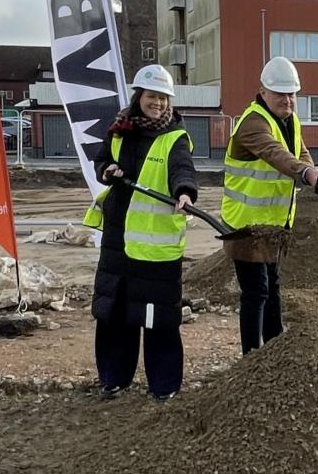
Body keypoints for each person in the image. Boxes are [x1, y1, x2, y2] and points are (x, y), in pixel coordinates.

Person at [83, 64, 198, 402]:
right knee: (114, 315)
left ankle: (164, 386)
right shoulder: (119, 130)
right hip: (118, 239)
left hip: (154, 248)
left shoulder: (174, 137)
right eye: (152, 97)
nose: (158, 103)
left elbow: (183, 170)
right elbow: (101, 161)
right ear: (139, 97)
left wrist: (185, 193)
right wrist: (109, 170)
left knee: (157, 318)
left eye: (163, 98)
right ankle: (113, 378)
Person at [221, 56, 318, 355]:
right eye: (281, 93)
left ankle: (275, 352)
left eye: (292, 94)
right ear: (263, 91)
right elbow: (274, 153)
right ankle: (252, 357)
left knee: (273, 286)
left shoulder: (290, 121)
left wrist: (313, 171)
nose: (287, 100)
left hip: (275, 223)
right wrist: (305, 173)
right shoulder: (252, 123)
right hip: (247, 224)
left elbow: (300, 153)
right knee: (256, 292)